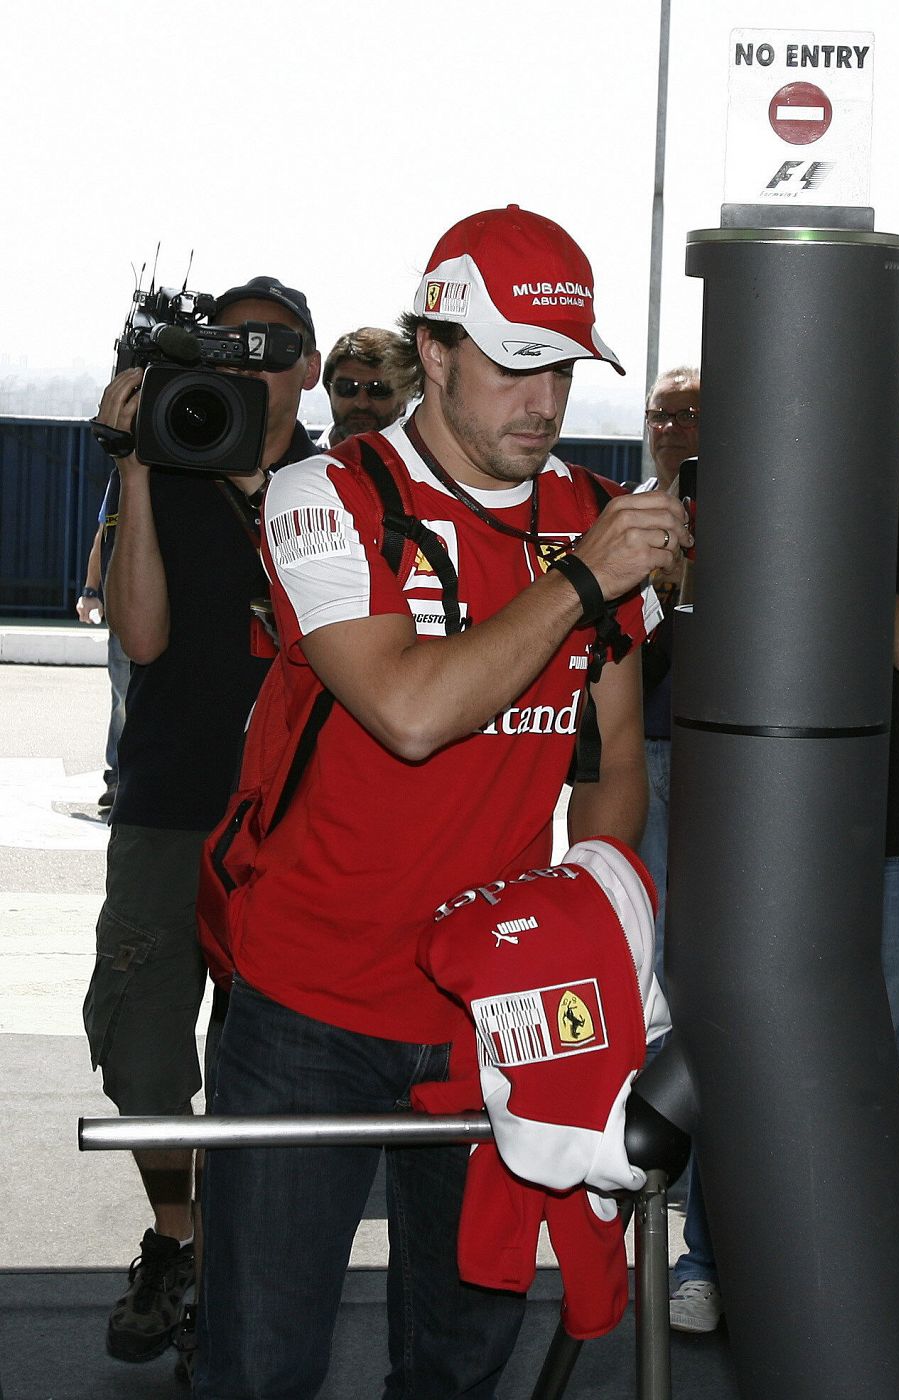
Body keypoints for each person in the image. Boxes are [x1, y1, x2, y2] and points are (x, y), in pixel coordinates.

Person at [195, 204, 692, 1399]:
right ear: (435, 349)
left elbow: (611, 760)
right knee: (259, 1364)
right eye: (517, 362)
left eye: (563, 368)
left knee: (463, 1355)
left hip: (493, 1008)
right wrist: (581, 578)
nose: (545, 401)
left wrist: (587, 921)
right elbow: (412, 711)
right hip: (306, 999)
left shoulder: (591, 512)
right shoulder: (327, 495)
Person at [669, 342, 899, 1334]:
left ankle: (835, 1271)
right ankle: (705, 1256)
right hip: (759, 833)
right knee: (735, 1043)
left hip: (881, 839)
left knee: (861, 1063)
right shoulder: (752, 518)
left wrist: (821, 521)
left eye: (876, 413)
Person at [82, 276, 322, 1373]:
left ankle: (229, 1258)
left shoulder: (341, 484)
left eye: (272, 346)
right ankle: (176, 1236)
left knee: (271, 1051)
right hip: (174, 799)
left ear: (309, 366)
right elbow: (141, 637)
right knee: (139, 1036)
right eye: (227, 345)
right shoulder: (169, 464)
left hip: (298, 815)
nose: (247, 363)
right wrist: (136, 463)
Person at [633, 367, 700, 985]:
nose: (671, 429)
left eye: (689, 416)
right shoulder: (625, 510)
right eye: (661, 415)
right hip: (642, 730)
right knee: (643, 912)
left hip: (716, 742)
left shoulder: (751, 519)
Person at [76, 503, 131, 810]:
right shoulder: (117, 482)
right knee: (122, 697)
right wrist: (89, 590)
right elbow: (103, 535)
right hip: (122, 611)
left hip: (165, 609)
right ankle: (118, 777)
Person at [314, 325, 410, 448]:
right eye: (347, 388)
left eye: (378, 389)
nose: (362, 403)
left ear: (403, 398)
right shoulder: (300, 464)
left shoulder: (424, 464)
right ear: (329, 391)